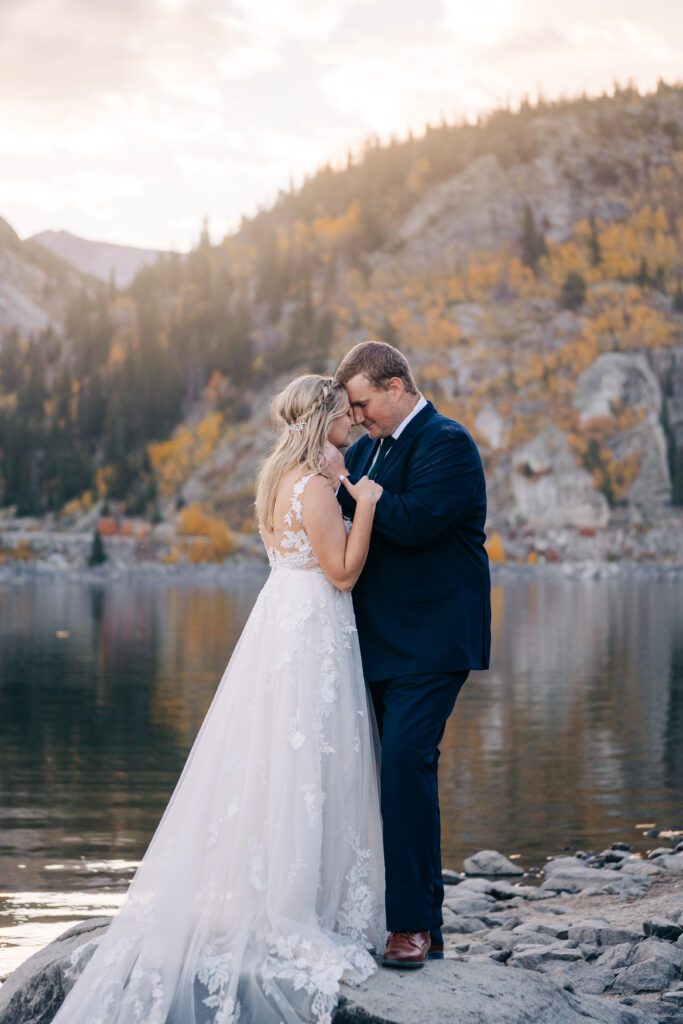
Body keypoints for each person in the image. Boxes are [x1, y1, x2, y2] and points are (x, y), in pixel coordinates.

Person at [51, 374, 386, 1024]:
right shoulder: (315, 488)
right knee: (307, 760)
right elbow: (342, 573)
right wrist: (363, 501)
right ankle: (295, 908)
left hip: (281, 620)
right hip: (311, 625)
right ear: (324, 420)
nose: (353, 421)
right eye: (344, 414)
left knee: (283, 759)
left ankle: (281, 891)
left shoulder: (277, 478)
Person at [330, 341, 491, 969]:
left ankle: (412, 928)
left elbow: (418, 522)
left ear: (396, 386)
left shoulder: (448, 443)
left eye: (365, 403)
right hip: (377, 640)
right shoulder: (369, 450)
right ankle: (426, 921)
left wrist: (351, 494)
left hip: (432, 639)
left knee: (403, 763)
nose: (361, 416)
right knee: (389, 771)